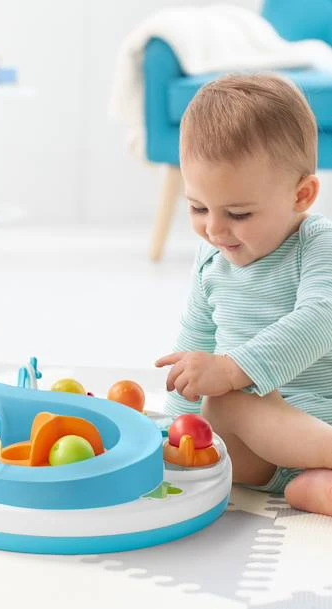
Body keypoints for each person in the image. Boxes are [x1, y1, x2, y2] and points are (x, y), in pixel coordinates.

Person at [155, 73, 332, 516]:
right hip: (260, 459)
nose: (215, 230)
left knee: (226, 400)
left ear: (302, 195)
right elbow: (194, 349)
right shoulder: (210, 260)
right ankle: (312, 483)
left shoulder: (316, 243)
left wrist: (234, 369)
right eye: (198, 208)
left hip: (317, 421)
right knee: (295, 488)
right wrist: (171, 427)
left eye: (238, 213)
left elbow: (321, 316)